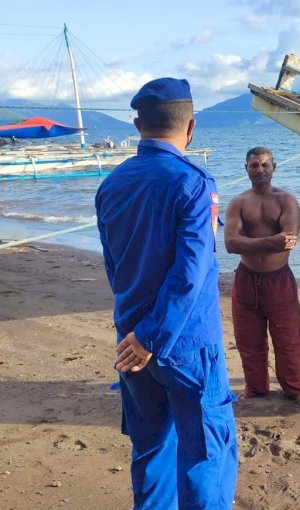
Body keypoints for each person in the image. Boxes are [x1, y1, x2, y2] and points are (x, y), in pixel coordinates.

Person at [95, 78, 238, 509]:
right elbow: (190, 273)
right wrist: (154, 337)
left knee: (152, 449)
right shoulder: (192, 182)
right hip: (185, 342)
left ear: (138, 125)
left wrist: (138, 334)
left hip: (131, 339)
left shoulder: (112, 183)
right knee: (206, 454)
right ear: (190, 128)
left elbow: (114, 268)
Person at [224, 146, 300, 405]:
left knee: (288, 338)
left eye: (264, 165)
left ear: (274, 168)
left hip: (278, 279)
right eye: (254, 165)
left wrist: (248, 242)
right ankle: (257, 387)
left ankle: (295, 388)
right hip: (246, 278)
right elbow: (230, 244)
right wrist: (272, 240)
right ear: (246, 168)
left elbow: (289, 241)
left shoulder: (286, 200)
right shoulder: (238, 202)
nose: (259, 169)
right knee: (248, 338)